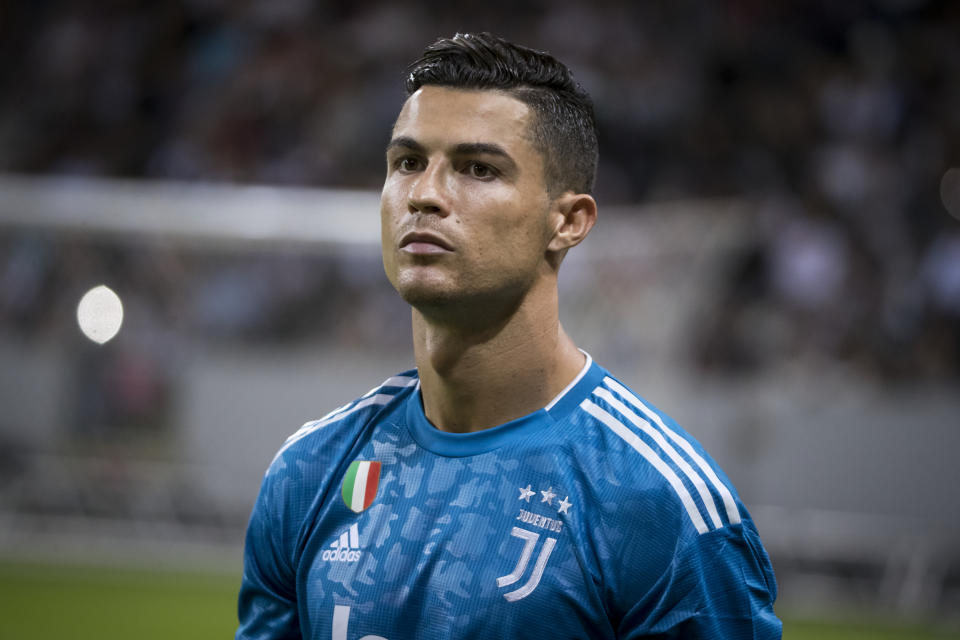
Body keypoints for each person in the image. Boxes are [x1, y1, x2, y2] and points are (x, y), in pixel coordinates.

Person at [236, 32, 781, 639]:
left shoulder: (655, 505)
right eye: (408, 162)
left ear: (568, 221)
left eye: (478, 169)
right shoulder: (309, 471)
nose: (425, 195)